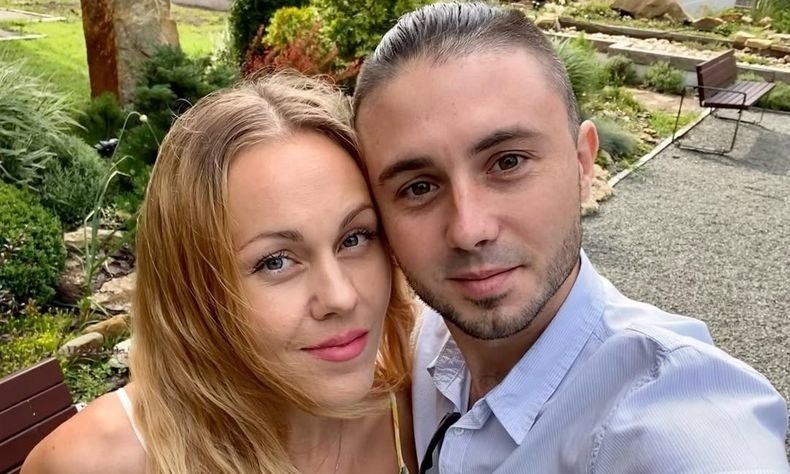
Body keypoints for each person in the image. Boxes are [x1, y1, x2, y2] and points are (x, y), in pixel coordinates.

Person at [353, 3, 790, 473]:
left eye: (508, 162)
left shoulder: (673, 414)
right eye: (419, 188)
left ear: (583, 165)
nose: (469, 230)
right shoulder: (421, 342)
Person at [22, 74, 418, 474]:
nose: (341, 297)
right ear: (191, 289)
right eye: (276, 261)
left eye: (354, 238)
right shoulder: (95, 462)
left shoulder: (418, 415)